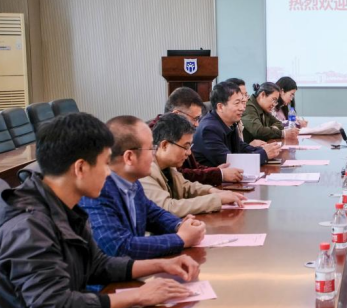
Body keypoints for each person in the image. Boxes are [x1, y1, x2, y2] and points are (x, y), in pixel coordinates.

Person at [0, 113, 200, 308]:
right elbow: (55, 307)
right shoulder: (28, 225)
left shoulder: (62, 206)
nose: (109, 172)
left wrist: (161, 264)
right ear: (80, 168)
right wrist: (138, 295)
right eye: (104, 164)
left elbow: (98, 264)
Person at [80, 116, 207, 259]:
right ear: (129, 157)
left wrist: (179, 225)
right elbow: (119, 247)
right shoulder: (97, 191)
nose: (154, 153)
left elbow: (153, 214)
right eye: (151, 148)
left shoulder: (132, 182)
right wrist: (181, 239)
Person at [141, 113, 245, 216]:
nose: (189, 153)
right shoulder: (145, 171)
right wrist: (216, 199)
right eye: (185, 147)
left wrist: (212, 191)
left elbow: (186, 187)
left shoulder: (169, 165)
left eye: (190, 147)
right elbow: (167, 207)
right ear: (164, 145)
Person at [149, 87, 243, 185]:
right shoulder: (153, 136)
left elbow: (193, 167)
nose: (197, 124)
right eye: (195, 118)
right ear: (177, 114)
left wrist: (216, 170)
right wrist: (219, 174)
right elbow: (179, 175)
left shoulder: (181, 132)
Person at [192, 81, 282, 167]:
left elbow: (241, 147)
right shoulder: (209, 129)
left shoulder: (229, 123)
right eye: (237, 103)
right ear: (220, 107)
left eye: (242, 102)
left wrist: (264, 149)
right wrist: (264, 154)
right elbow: (229, 163)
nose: (242, 108)